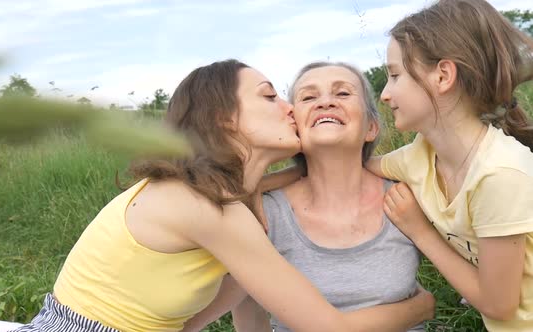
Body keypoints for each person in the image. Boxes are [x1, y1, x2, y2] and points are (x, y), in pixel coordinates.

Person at [0, 59, 434, 332]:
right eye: (272, 97)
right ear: (224, 118)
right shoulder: (208, 209)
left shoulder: (215, 192)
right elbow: (326, 329)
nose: (293, 108)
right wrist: (420, 307)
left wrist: (371, 164)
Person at [180, 62, 428, 332]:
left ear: (371, 127)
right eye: (308, 97)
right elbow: (248, 312)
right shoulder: (260, 212)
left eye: (343, 93)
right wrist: (424, 306)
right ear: (294, 126)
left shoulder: (408, 197)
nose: (325, 102)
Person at [363, 0, 533, 331]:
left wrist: (420, 231)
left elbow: (499, 305)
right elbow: (355, 167)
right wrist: (253, 184)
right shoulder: (419, 156)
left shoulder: (499, 174)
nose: (384, 94)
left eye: (395, 75)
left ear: (442, 75)